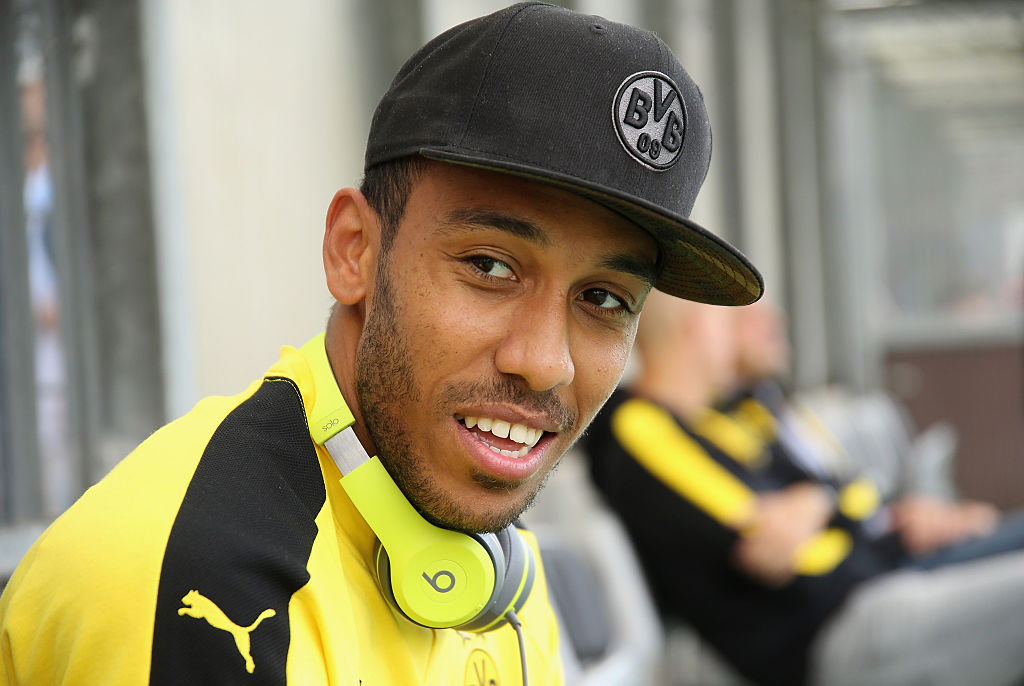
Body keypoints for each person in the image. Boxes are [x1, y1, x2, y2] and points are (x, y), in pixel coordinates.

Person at [0, 4, 763, 685]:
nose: (544, 363)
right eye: (490, 266)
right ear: (354, 251)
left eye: (603, 299)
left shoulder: (499, 573)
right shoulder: (203, 587)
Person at [584, 292, 1024, 686]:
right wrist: (821, 504)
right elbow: (770, 539)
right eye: (728, 320)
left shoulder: (708, 419)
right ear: (695, 327)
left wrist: (817, 504)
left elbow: (822, 495)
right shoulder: (640, 425)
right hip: (835, 630)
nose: (739, 334)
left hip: (873, 585)